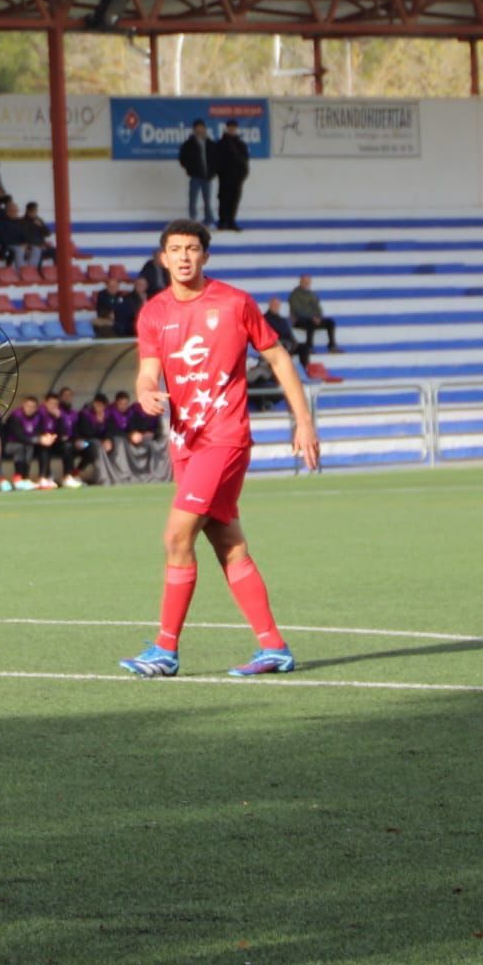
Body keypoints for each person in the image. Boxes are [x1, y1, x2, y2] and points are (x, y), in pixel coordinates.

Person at [121, 220, 319, 681]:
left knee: (175, 537)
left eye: (192, 248)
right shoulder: (153, 312)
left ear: (205, 256)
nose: (185, 256)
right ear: (163, 258)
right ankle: (274, 646)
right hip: (185, 443)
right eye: (176, 249)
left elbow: (277, 357)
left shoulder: (234, 303)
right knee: (227, 545)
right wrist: (146, 390)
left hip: (225, 438)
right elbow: (148, 370)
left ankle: (165, 650)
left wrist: (304, 422)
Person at [210, 121, 250, 231]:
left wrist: (243, 174)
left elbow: (245, 160)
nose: (232, 130)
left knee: (234, 199)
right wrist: (219, 172)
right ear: (226, 129)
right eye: (230, 128)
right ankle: (222, 221)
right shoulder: (220, 144)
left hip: (237, 178)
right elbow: (216, 160)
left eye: (234, 128)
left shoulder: (241, 144)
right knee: (223, 199)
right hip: (224, 177)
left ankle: (232, 221)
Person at [288, 276, 340, 358]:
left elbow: (318, 308)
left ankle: (332, 346)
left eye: (308, 282)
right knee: (310, 322)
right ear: (300, 282)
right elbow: (297, 310)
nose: (307, 284)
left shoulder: (312, 294)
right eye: (305, 282)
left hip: (313, 319)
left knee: (330, 322)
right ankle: (309, 346)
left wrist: (318, 317)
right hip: (299, 320)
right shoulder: (295, 294)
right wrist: (312, 317)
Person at [178, 120, 216, 225]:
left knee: (207, 200)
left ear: (204, 129)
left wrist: (212, 173)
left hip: (207, 177)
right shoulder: (188, 144)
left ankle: (209, 220)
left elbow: (216, 159)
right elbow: (182, 159)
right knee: (193, 199)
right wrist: (191, 169)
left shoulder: (210, 144)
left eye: (202, 127)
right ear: (194, 130)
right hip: (195, 176)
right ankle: (193, 219)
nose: (200, 130)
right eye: (198, 128)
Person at [263, 299, 302, 367]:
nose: (276, 306)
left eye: (277, 305)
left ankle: (303, 369)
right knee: (284, 346)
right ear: (270, 305)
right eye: (274, 305)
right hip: (277, 343)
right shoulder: (265, 318)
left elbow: (289, 333)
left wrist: (294, 341)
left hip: (287, 342)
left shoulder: (282, 319)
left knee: (304, 348)